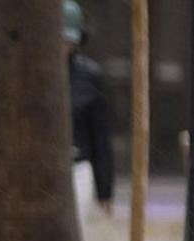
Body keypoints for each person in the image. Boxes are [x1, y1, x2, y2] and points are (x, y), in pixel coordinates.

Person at [65, 0, 115, 223]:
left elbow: (100, 136)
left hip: (77, 166)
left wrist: (105, 188)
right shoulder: (29, 76)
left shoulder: (89, 76)